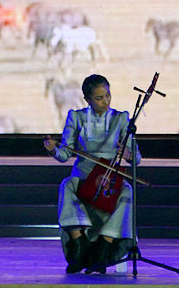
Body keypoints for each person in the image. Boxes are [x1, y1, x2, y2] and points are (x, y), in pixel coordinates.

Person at [44, 73, 141, 274]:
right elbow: (65, 154)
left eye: (108, 95)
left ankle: (103, 246)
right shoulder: (77, 117)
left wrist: (128, 153)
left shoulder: (121, 119)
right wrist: (53, 149)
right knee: (67, 185)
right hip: (85, 175)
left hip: (109, 178)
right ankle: (78, 242)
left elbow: (137, 159)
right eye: (99, 98)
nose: (105, 101)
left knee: (128, 192)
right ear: (87, 99)